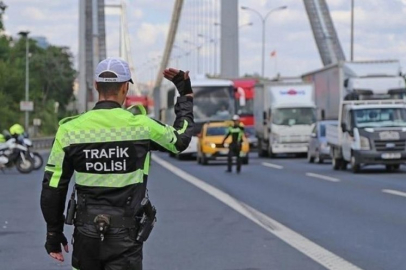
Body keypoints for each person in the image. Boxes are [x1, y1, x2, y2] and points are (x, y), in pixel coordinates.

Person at [40, 57, 194, 270]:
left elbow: (53, 187)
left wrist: (53, 234)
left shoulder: (69, 131)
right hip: (126, 236)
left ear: (96, 86)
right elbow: (180, 140)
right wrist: (185, 95)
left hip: (86, 234)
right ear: (125, 87)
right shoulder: (141, 126)